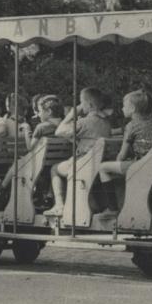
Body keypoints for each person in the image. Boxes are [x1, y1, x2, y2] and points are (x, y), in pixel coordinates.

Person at [44, 87, 112, 217]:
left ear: (90, 105)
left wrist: (71, 115)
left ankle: (59, 205)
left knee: (54, 169)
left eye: (81, 102)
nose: (80, 106)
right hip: (99, 162)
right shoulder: (106, 123)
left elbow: (59, 131)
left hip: (84, 163)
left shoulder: (84, 122)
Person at [97, 90, 152, 211]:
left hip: (139, 166)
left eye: (124, 106)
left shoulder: (131, 126)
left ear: (132, 108)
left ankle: (112, 208)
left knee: (103, 168)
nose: (122, 109)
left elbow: (122, 155)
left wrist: (117, 162)